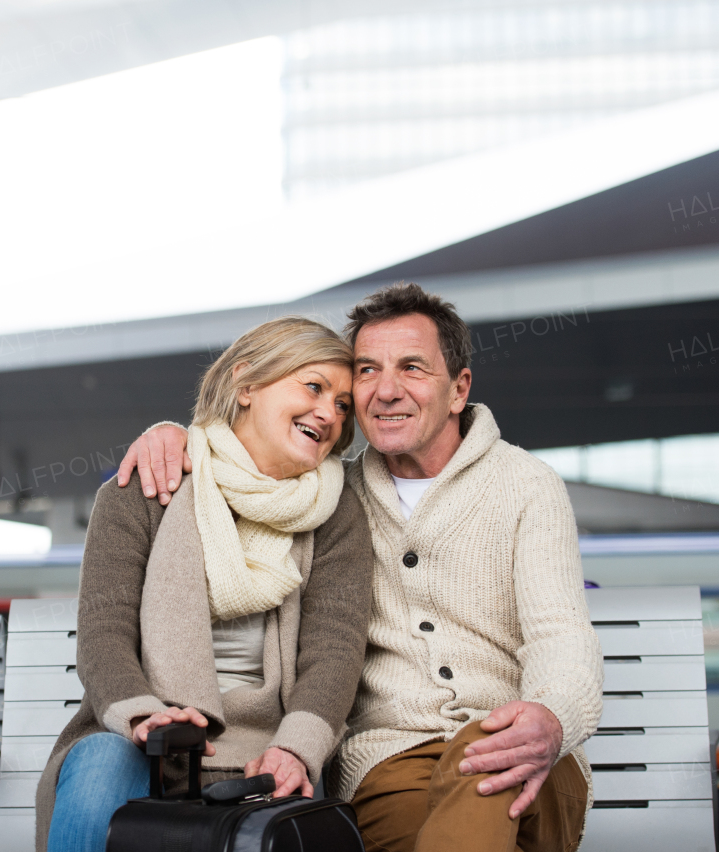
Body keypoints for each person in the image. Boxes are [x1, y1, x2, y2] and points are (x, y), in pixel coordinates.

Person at [117, 283, 603, 852]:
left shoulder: (527, 486)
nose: (386, 390)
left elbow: (561, 638)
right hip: (391, 762)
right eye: (368, 370)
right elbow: (244, 452)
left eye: (412, 368)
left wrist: (550, 717)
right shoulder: (329, 496)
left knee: (484, 761)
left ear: (458, 389)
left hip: (525, 751)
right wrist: (173, 435)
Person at [38, 316, 375, 852]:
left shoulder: (337, 513)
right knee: (100, 767)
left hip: (270, 742)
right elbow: (103, 632)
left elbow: (334, 653)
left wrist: (297, 748)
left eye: (342, 405)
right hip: (141, 734)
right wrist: (145, 714)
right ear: (246, 384)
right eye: (313, 386)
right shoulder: (148, 485)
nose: (328, 413)